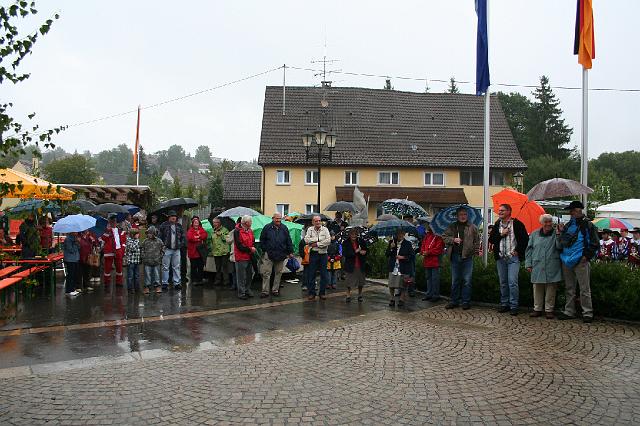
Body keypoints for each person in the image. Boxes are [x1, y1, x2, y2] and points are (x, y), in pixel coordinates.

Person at [557, 200, 599, 323]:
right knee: (569, 287)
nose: (570, 213)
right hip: (566, 259)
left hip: (581, 260)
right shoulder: (569, 224)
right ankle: (569, 311)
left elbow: (594, 243)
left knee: (584, 288)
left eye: (571, 211)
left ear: (577, 211)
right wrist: (561, 231)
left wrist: (586, 256)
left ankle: (587, 313)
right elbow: (564, 241)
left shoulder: (588, 225)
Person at [488, 203, 529, 315]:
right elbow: (491, 240)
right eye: (499, 210)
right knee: (503, 282)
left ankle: (514, 305)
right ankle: (504, 304)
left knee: (512, 282)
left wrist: (518, 251)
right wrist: (501, 234)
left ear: (509, 212)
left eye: (502, 210)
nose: (500, 212)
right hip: (500, 258)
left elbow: (525, 240)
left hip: (513, 258)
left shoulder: (517, 224)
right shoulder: (497, 224)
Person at [525, 214, 563, 319]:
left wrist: (559, 234)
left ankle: (549, 310)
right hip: (537, 264)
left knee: (551, 288)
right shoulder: (534, 234)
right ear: (541, 223)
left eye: (550, 221)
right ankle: (537, 309)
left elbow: (560, 247)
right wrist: (528, 263)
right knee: (537, 287)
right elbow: (529, 250)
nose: (548, 224)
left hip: (552, 264)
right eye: (546, 222)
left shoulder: (556, 233)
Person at [442, 207, 480, 310]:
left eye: (465, 214)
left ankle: (465, 301)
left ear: (467, 215)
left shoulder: (472, 227)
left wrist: (476, 251)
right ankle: (454, 301)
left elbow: (477, 241)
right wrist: (453, 239)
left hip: (467, 257)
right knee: (455, 280)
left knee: (467, 280)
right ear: (457, 216)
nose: (463, 216)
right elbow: (444, 237)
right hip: (455, 256)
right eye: (461, 215)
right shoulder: (452, 226)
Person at [259, 213, 294, 297]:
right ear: (273, 218)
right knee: (266, 273)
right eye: (276, 218)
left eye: (279, 218)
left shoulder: (284, 228)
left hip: (281, 254)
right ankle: (265, 291)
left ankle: (275, 290)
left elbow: (288, 240)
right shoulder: (267, 227)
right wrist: (265, 250)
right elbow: (262, 239)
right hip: (269, 254)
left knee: (278, 273)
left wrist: (290, 251)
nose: (278, 220)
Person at [304, 215, 331, 301]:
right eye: (316, 221)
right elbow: (306, 240)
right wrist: (319, 239)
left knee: (324, 274)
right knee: (311, 274)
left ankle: (322, 293)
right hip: (313, 254)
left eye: (319, 220)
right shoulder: (309, 229)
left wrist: (316, 243)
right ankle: (312, 293)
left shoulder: (325, 229)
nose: (318, 222)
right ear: (313, 222)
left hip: (323, 254)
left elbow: (328, 241)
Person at [159, 210, 185, 291]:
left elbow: (183, 237)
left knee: (176, 267)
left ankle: (177, 283)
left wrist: (180, 245)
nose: (173, 217)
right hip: (167, 249)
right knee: (165, 267)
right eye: (172, 216)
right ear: (169, 217)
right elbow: (160, 236)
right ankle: (165, 283)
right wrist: (162, 246)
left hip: (177, 249)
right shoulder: (163, 225)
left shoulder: (179, 226)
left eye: (175, 216)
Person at [386, 229, 413, 307]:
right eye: (398, 234)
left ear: (404, 234)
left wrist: (403, 257)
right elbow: (387, 254)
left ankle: (401, 299)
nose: (399, 235)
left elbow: (411, 256)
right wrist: (391, 248)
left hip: (403, 267)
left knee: (403, 284)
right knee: (391, 284)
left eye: (401, 233)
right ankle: (392, 299)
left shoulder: (408, 244)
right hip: (393, 266)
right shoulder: (392, 242)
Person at [99, 214, 127, 287]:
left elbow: (124, 241)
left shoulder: (120, 231)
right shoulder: (106, 231)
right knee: (107, 268)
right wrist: (108, 231)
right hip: (109, 251)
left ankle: (119, 282)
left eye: (114, 221)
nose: (113, 223)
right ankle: (107, 283)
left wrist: (122, 250)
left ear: (116, 222)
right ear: (109, 222)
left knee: (119, 267)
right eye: (112, 222)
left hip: (118, 251)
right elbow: (103, 239)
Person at [420, 222, 445, 302]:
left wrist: (428, 252)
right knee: (428, 278)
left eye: (429, 225)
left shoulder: (438, 236)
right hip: (427, 261)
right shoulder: (427, 236)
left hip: (435, 261)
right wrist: (423, 251)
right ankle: (429, 294)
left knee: (435, 279)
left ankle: (435, 295)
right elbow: (423, 245)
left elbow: (439, 248)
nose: (427, 227)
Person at [342, 228, 367, 303]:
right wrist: (355, 252)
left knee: (360, 281)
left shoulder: (361, 241)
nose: (354, 236)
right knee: (349, 281)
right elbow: (345, 253)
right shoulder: (346, 243)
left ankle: (360, 295)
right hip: (350, 264)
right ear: (349, 235)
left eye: (355, 234)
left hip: (360, 263)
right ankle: (348, 295)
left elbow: (366, 249)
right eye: (352, 234)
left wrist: (364, 252)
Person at [234, 215, 256, 300]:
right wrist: (250, 249)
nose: (251, 223)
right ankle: (241, 293)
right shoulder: (237, 231)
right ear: (246, 223)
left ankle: (247, 289)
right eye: (250, 222)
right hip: (241, 257)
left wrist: (252, 247)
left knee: (249, 274)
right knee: (241, 276)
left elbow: (252, 241)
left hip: (249, 256)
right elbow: (239, 246)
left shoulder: (250, 230)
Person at [141, 225, 164, 294]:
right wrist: (143, 256)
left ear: (154, 233)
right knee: (147, 275)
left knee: (157, 275)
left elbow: (163, 248)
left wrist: (160, 256)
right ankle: (147, 287)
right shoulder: (145, 241)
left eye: (151, 233)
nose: (149, 234)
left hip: (156, 261)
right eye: (148, 233)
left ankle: (157, 286)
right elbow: (142, 249)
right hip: (147, 261)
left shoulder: (159, 241)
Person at [186, 216, 208, 285]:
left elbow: (205, 235)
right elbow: (190, 238)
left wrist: (198, 237)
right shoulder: (190, 230)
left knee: (200, 266)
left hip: (200, 252)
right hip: (193, 252)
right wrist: (198, 238)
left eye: (197, 223)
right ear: (192, 223)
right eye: (195, 223)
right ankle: (194, 280)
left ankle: (200, 279)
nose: (196, 224)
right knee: (194, 266)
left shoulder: (201, 229)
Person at [209, 217, 231, 287]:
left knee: (224, 267)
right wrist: (211, 248)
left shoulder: (225, 230)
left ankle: (226, 281)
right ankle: (218, 280)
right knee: (218, 267)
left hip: (224, 252)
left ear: (219, 223)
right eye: (214, 223)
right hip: (216, 252)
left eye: (216, 222)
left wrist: (221, 235)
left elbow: (228, 239)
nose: (214, 224)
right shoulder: (212, 231)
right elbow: (211, 240)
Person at [62, 232, 80, 297]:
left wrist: (77, 242)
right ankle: (69, 290)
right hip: (70, 259)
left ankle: (73, 289)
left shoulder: (75, 239)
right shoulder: (68, 239)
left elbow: (79, 247)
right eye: (75, 231)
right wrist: (76, 243)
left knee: (75, 274)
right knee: (70, 275)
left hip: (75, 259)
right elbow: (71, 249)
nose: (76, 232)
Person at [177, 207, 191, 284]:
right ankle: (175, 276)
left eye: (182, 210)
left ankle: (183, 275)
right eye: (179, 210)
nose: (181, 211)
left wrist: (186, 237)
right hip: (176, 241)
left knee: (183, 259)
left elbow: (189, 229)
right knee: (176, 260)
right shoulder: (174, 218)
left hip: (184, 241)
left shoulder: (186, 218)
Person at [125, 229, 141, 293]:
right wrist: (137, 241)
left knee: (136, 276)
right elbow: (132, 248)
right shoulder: (129, 240)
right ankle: (130, 289)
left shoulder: (137, 240)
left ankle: (137, 288)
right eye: (137, 234)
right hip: (131, 261)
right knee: (130, 276)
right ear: (133, 234)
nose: (138, 235)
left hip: (137, 261)